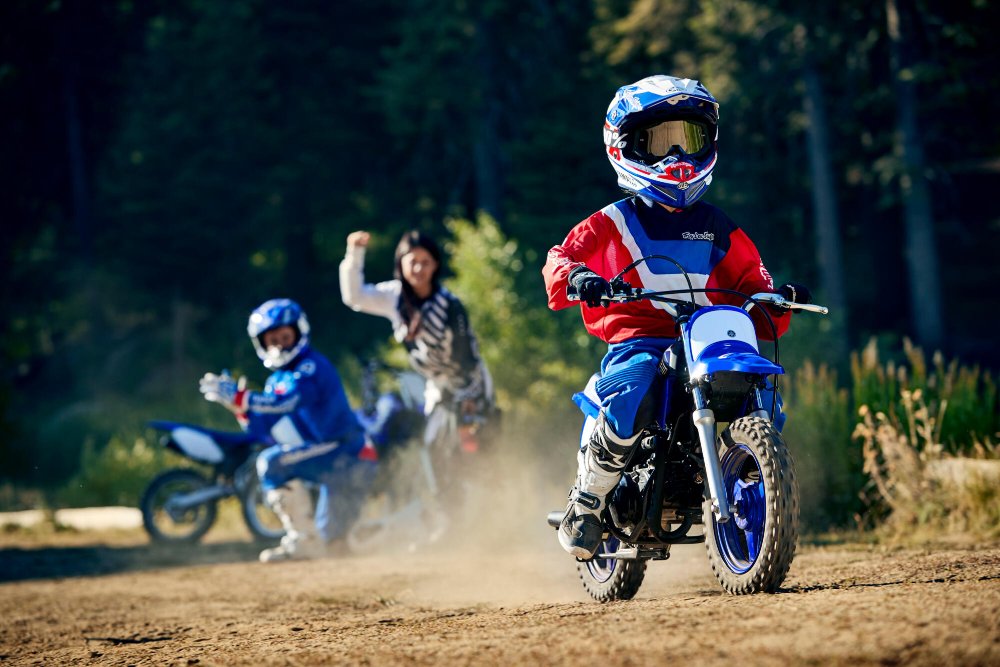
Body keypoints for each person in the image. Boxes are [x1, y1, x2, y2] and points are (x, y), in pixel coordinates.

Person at [542, 75, 812, 559]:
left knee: (763, 393)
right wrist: (580, 278)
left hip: (705, 339)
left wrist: (774, 298)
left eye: (688, 139)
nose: (677, 157)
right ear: (625, 145)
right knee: (632, 387)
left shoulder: (717, 225)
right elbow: (561, 257)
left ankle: (751, 486)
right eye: (660, 142)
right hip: (641, 339)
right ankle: (587, 501)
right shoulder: (612, 220)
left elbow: (752, 276)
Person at [199, 298, 377, 562]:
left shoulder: (311, 365)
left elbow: (289, 401)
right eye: (271, 340)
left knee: (272, 462)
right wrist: (240, 408)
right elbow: (264, 428)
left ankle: (305, 541)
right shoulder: (276, 379)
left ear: (299, 332)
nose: (279, 345)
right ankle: (307, 540)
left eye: (284, 337)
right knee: (334, 543)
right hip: (326, 457)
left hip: (346, 452)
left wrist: (244, 397)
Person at [339, 230, 496, 500]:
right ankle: (448, 509)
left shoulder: (449, 305)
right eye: (412, 261)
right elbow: (355, 297)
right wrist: (355, 253)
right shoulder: (394, 296)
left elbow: (467, 356)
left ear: (435, 265)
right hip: (436, 385)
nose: (418, 269)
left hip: (470, 383)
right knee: (434, 447)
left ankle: (488, 500)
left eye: (425, 262)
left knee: (472, 445)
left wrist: (469, 398)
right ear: (400, 263)